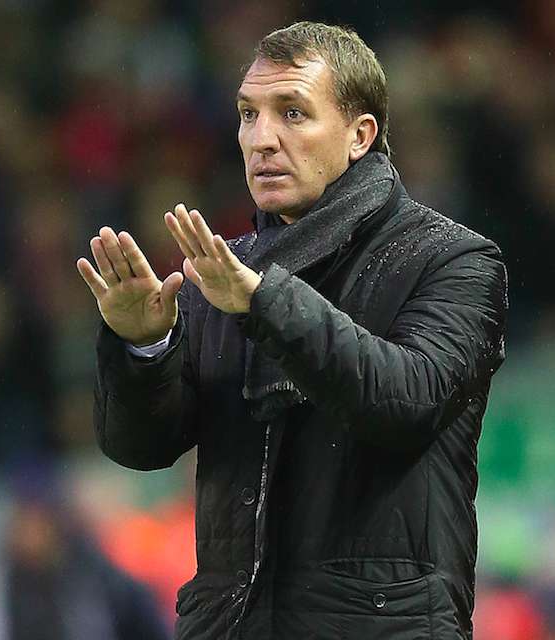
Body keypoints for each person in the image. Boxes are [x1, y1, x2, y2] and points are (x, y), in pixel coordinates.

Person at [77, 21, 507, 640]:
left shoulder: (450, 259)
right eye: (248, 115)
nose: (262, 139)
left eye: (293, 113)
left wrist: (265, 304)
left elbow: (406, 402)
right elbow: (141, 449)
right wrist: (145, 346)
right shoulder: (222, 274)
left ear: (360, 135)